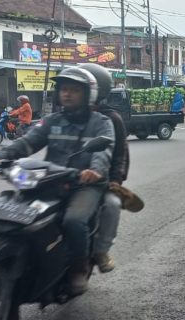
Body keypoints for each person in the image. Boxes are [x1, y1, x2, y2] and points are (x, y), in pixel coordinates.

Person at [0, 67, 115, 296]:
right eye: (64, 89)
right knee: (14, 211)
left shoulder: (101, 123)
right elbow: (28, 142)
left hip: (84, 184)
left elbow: (104, 151)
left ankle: (77, 268)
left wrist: (95, 171)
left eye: (74, 90)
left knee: (74, 220)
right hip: (50, 178)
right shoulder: (52, 121)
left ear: (88, 94)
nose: (68, 94)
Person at [78, 63, 130, 273]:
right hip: (62, 176)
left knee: (112, 204)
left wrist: (114, 180)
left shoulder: (110, 119)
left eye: (78, 89)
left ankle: (100, 250)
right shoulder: (64, 115)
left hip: (98, 179)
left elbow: (120, 154)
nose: (70, 94)